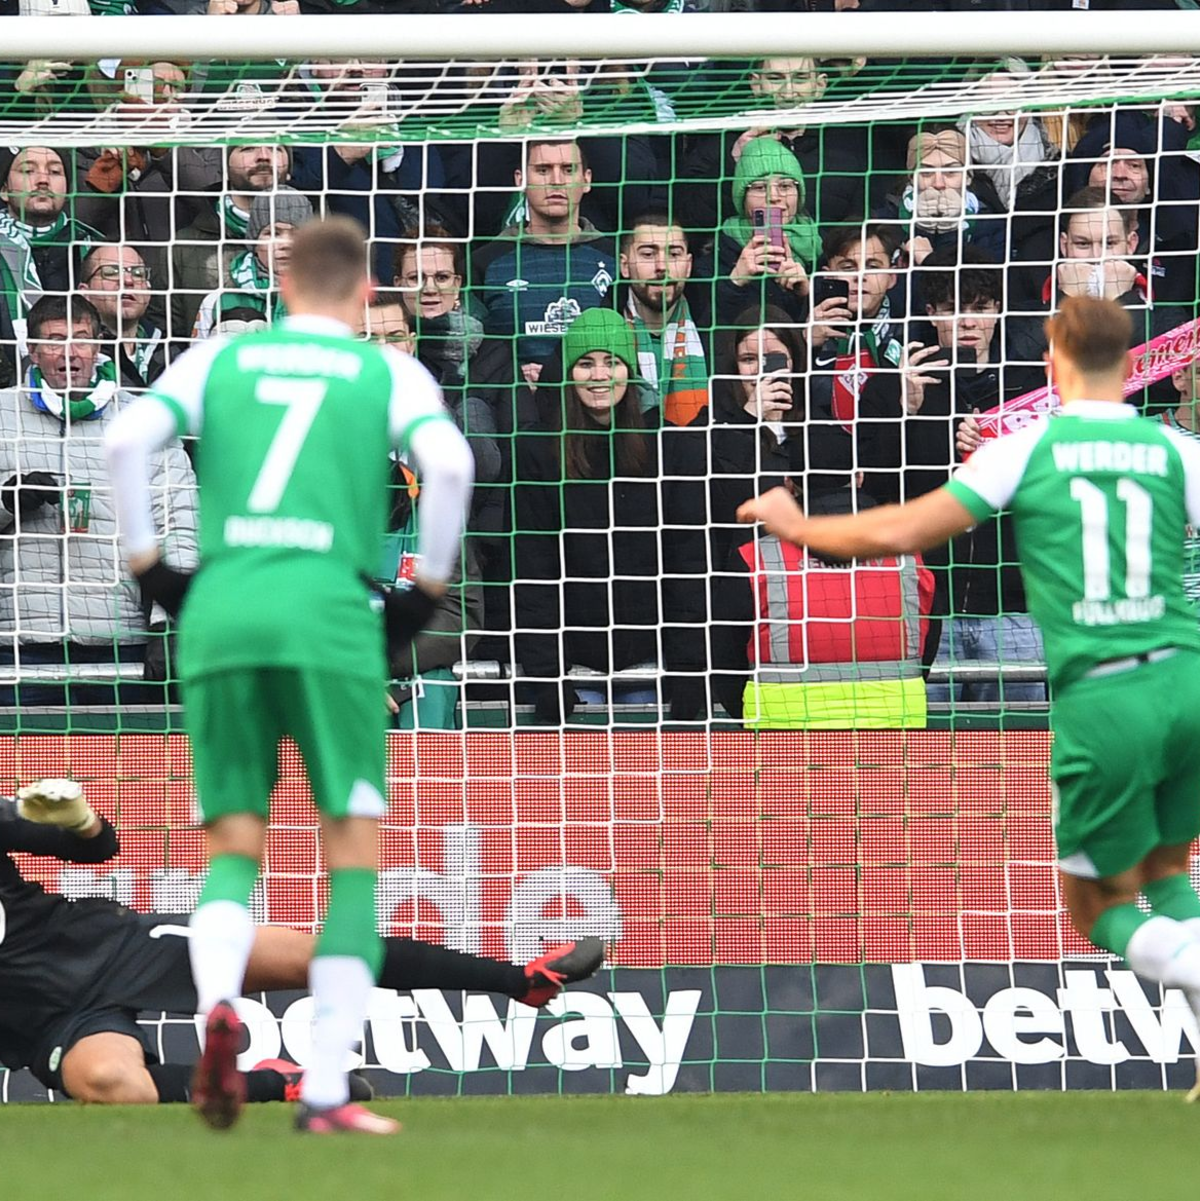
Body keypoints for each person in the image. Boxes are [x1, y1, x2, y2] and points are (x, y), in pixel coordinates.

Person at [738, 295, 1200, 1096]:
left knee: (1095, 903)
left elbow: (899, 532)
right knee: (1167, 872)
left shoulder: (1027, 449)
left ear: (1052, 364)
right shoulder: (1175, 450)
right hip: (1189, 681)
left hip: (1106, 694)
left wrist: (798, 523)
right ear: (1130, 369)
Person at [104, 216, 475, 1135]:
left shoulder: (223, 360)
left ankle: (216, 1009)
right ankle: (323, 1090)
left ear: (283, 288)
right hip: (328, 612)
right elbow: (452, 461)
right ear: (360, 295)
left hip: (224, 608)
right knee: (349, 858)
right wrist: (422, 592)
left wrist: (151, 566)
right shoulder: (384, 368)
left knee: (233, 845)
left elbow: (124, 441)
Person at [0, 778, 604, 1105]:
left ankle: (522, 981)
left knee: (322, 958)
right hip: (47, 1019)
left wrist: (77, 819)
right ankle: (281, 1082)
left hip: (106, 946)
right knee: (110, 1085)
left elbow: (100, 849)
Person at [0, 293, 197, 705]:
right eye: (54, 340)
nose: (69, 353)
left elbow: (179, 522)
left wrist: (169, 621)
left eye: (81, 339)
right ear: (32, 352)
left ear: (99, 347)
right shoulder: (3, 417)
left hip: (117, 642)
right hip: (19, 644)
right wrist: (8, 502)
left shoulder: (144, 420)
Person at [473, 139, 616, 385]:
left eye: (568, 169)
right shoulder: (484, 262)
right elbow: (474, 349)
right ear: (520, 180)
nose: (556, 180)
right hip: (513, 407)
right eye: (543, 170)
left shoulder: (615, 259)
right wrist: (512, 377)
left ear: (587, 179)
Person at [618, 214, 710, 427]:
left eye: (674, 254)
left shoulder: (718, 328)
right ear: (624, 266)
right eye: (648, 254)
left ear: (688, 266)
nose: (662, 266)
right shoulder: (597, 331)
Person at [78, 244, 167, 389]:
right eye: (111, 272)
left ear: (148, 291)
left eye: (138, 273)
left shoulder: (175, 352)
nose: (128, 281)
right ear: (84, 293)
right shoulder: (73, 353)